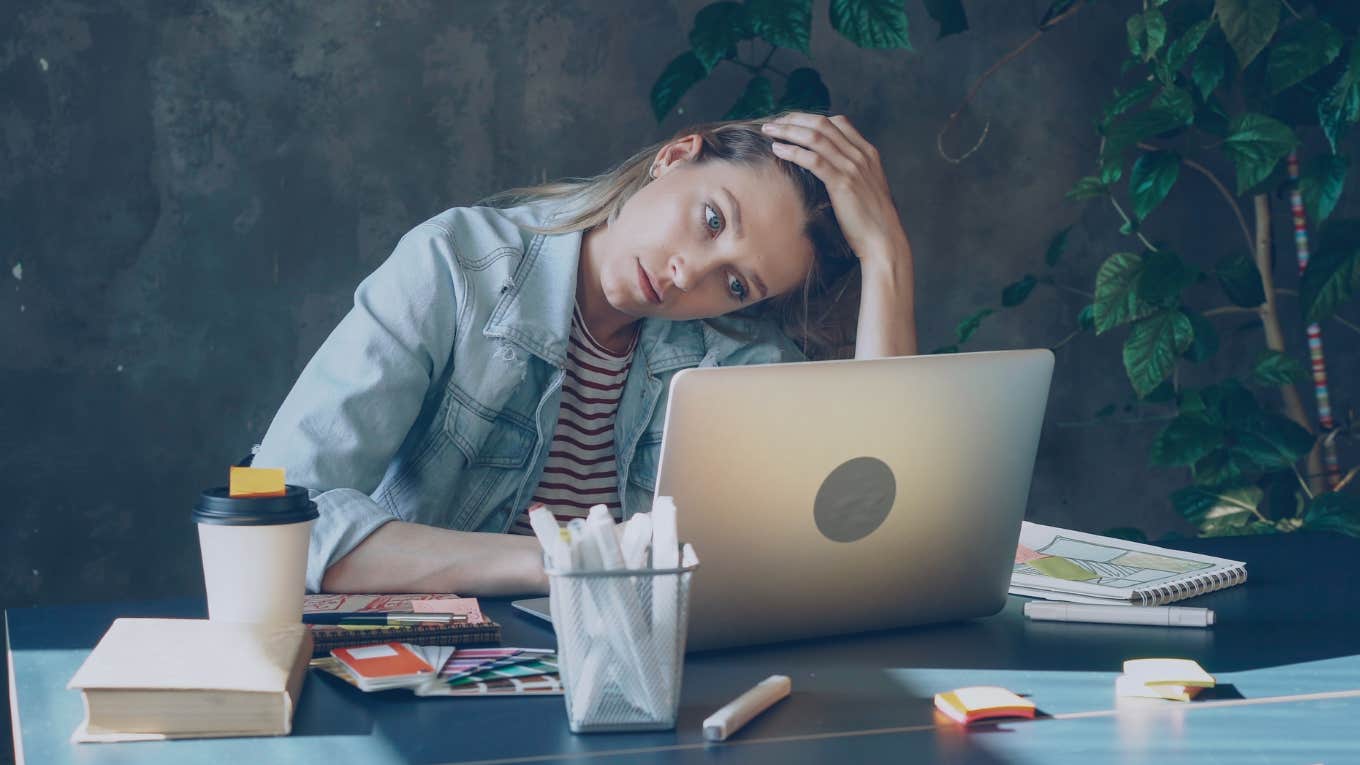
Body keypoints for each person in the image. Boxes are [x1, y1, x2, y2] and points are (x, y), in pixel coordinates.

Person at [252, 111, 918, 596]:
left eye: (737, 283)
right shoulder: (454, 265)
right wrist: (559, 561)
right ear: (676, 155)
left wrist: (885, 257)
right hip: (429, 681)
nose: (692, 274)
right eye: (713, 219)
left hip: (633, 690)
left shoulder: (735, 359)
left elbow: (869, 542)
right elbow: (267, 507)